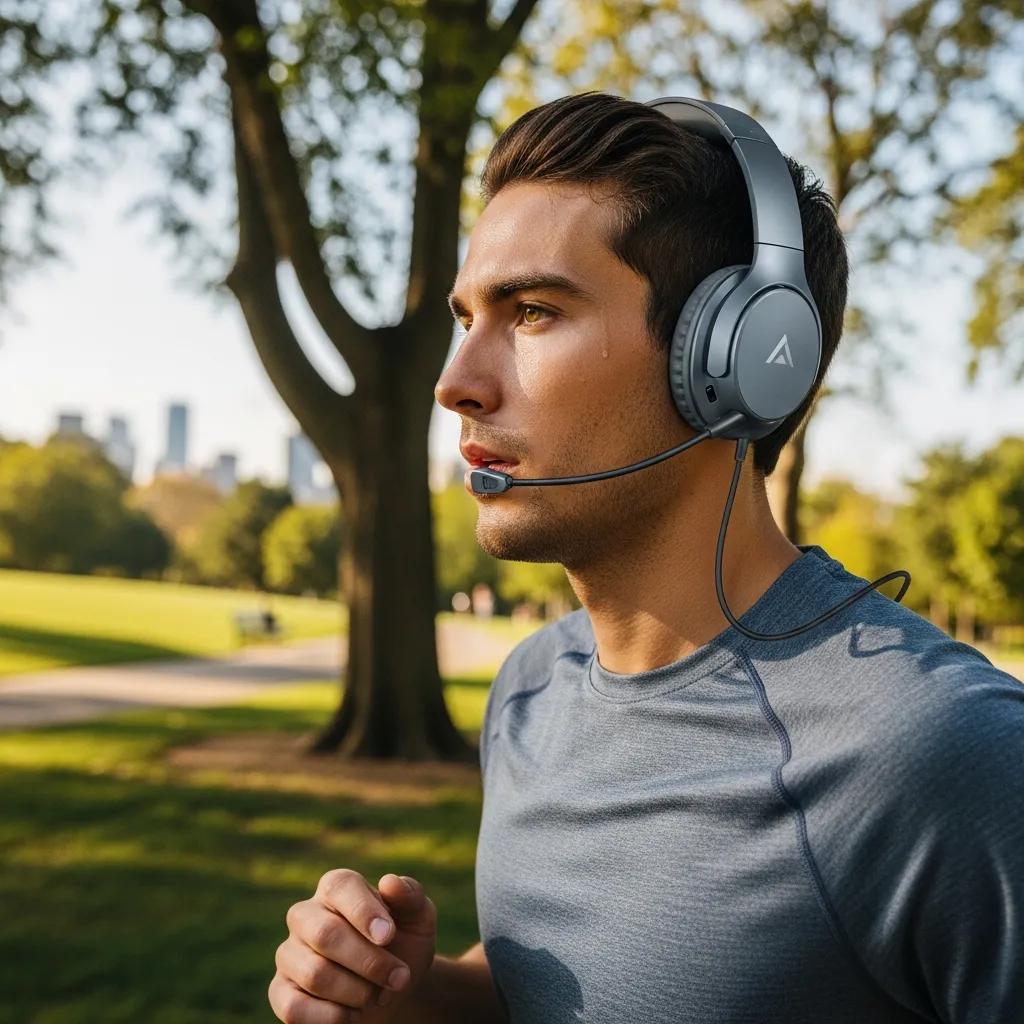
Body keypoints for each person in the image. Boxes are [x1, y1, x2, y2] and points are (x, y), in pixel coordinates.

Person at [267, 92, 1024, 1023]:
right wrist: (411, 995)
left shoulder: (944, 756)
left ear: (740, 361)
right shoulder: (531, 689)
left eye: (534, 311)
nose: (456, 382)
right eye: (469, 319)